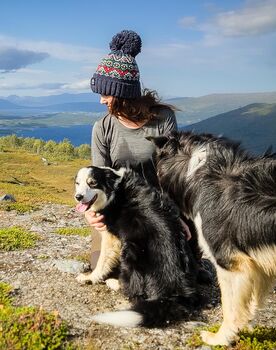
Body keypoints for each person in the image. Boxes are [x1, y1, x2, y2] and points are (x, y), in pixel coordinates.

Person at [86, 29, 211, 283]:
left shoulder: (162, 120)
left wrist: (174, 216)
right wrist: (92, 212)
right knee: (110, 268)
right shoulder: (103, 127)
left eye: (106, 94)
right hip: (122, 210)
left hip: (162, 206)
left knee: (180, 271)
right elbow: (98, 180)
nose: (101, 101)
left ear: (122, 94)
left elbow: (174, 175)